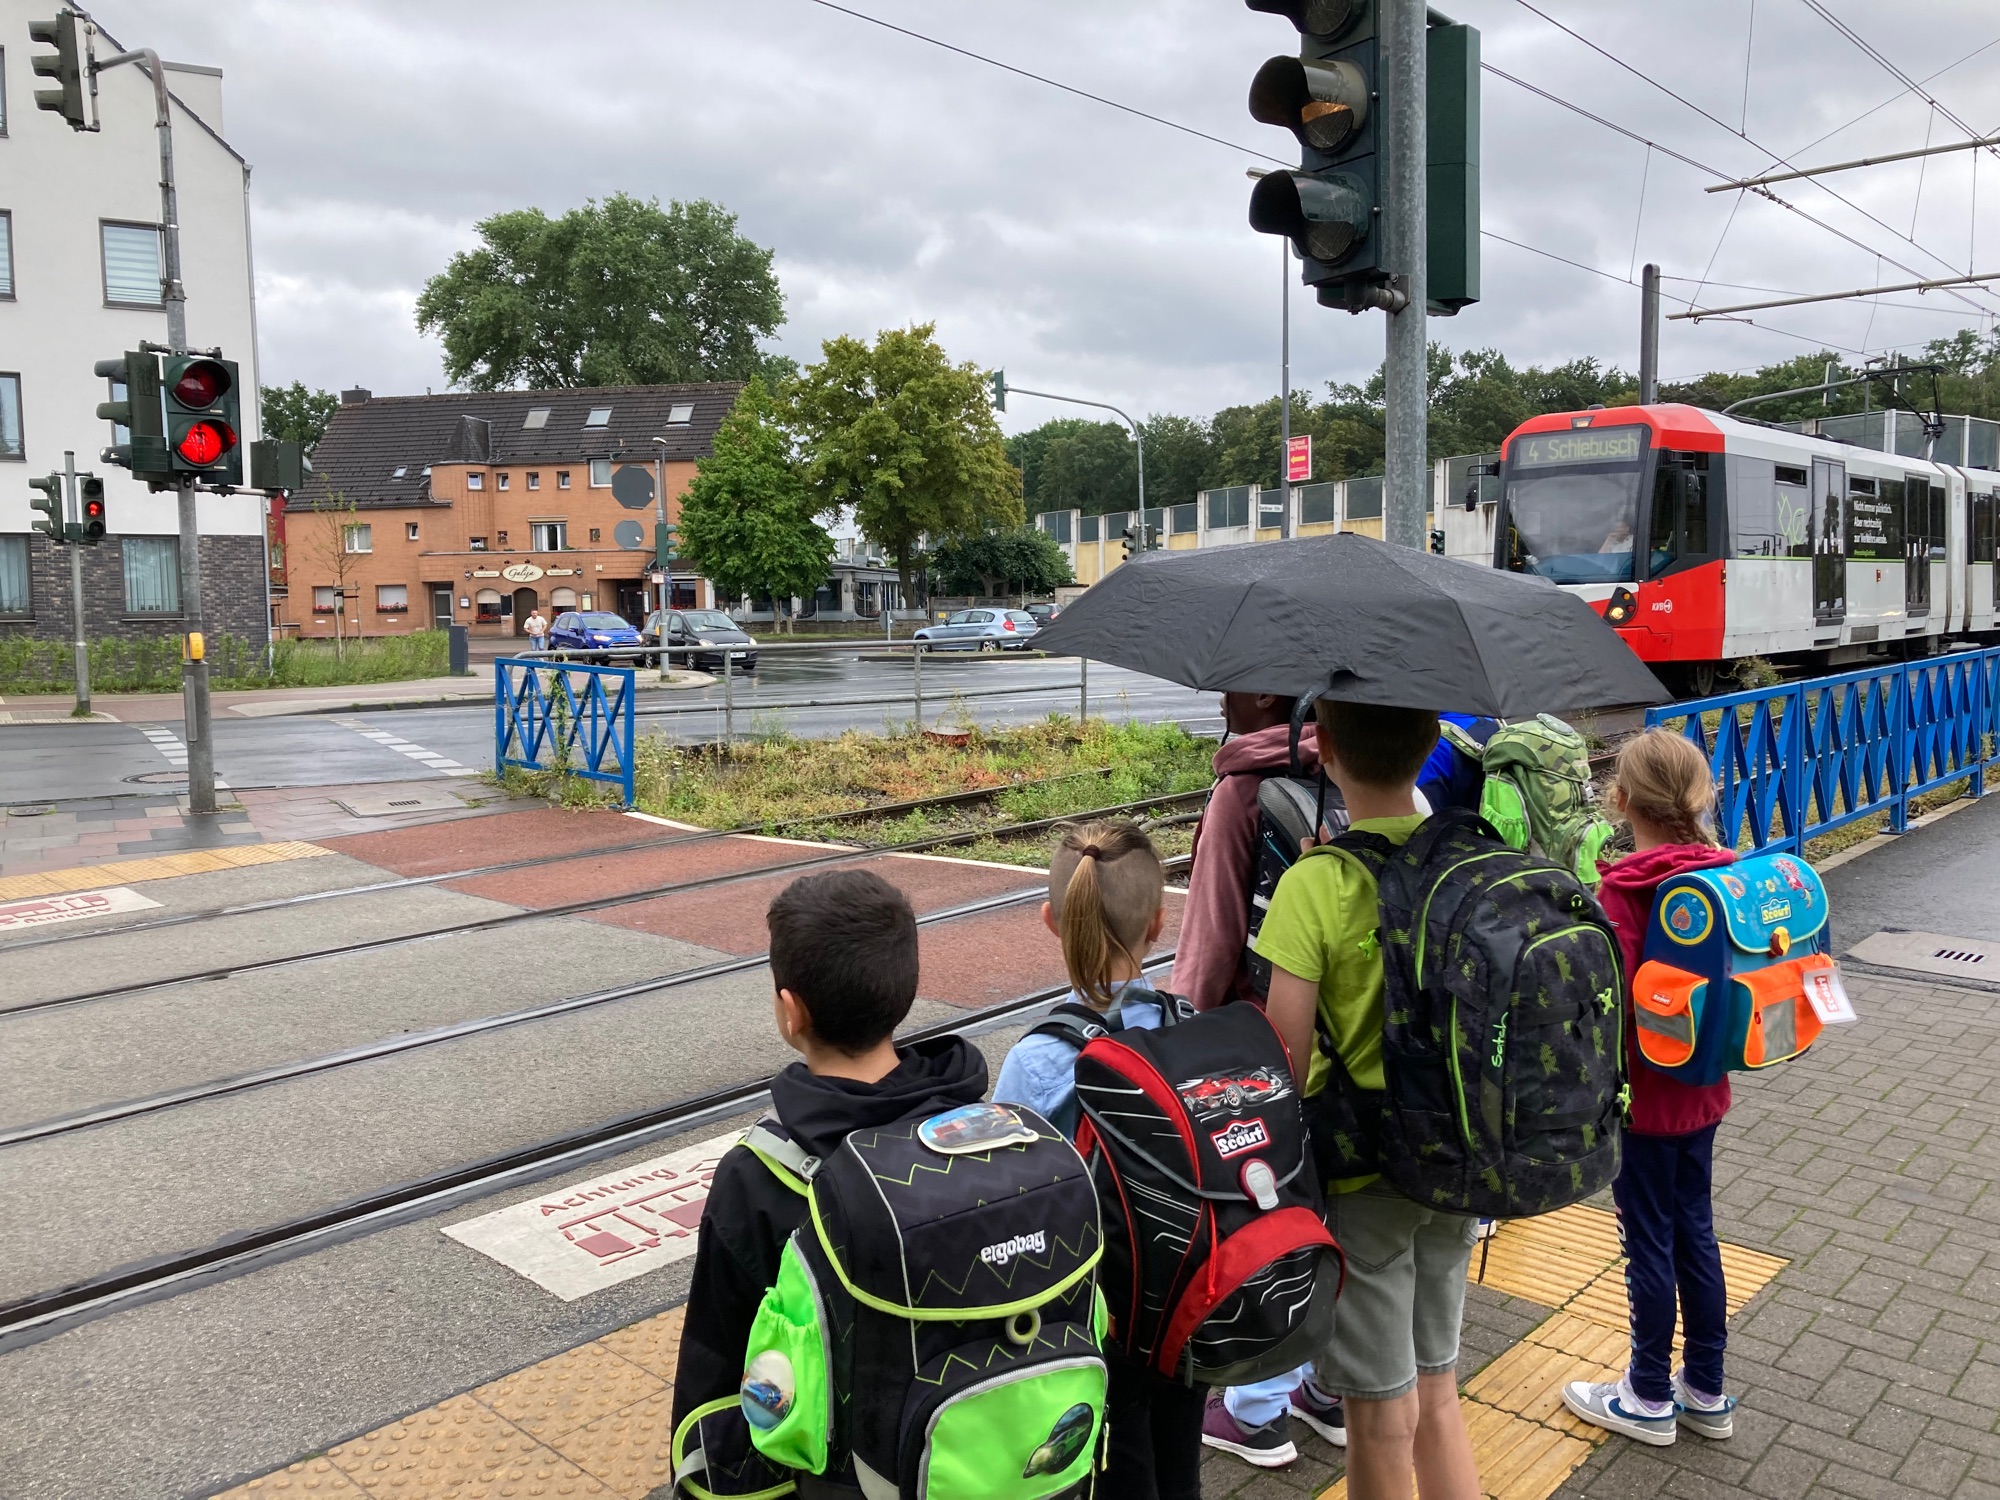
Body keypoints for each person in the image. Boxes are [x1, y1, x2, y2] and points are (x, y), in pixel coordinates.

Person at [671, 868, 989, 1495]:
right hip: (964, 1459)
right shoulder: (972, 1131)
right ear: (906, 990)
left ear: (791, 1012)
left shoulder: (757, 1175)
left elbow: (717, 1360)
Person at [1258, 698, 1482, 1500]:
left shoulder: (1317, 881)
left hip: (1367, 1173)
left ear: (1325, 753)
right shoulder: (1466, 858)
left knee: (1378, 1417)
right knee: (1439, 1392)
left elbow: (1282, 1054)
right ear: (1427, 745)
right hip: (1461, 1157)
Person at [992, 820, 1205, 1500]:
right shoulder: (1189, 1023)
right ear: (1160, 922)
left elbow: (1004, 1191)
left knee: (1113, 1463)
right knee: (1180, 1455)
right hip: (1183, 1299)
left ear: (1052, 922)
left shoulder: (1036, 1059)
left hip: (1091, 1314)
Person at [1561, 730, 1739, 1448]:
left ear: (1622, 799)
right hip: (1705, 1092)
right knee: (1696, 1227)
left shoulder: (1625, 891)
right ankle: (1707, 1389)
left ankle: (1645, 1394)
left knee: (1647, 1242)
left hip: (1642, 1103)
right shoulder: (1723, 877)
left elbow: (1609, 1003)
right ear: (1703, 795)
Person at [1173, 690, 1316, 1013]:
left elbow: (1211, 939)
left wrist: (1182, 1020)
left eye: (1230, 686)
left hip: (1258, 1025)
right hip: (1335, 1019)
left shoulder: (1240, 793)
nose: (1223, 699)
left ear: (1265, 696)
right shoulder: (1343, 769)